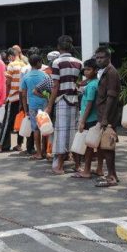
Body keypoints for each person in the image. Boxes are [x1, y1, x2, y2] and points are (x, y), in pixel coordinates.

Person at [45, 35, 83, 175]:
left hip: (61, 99)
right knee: (74, 131)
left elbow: (55, 86)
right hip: (74, 100)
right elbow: (78, 82)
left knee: (61, 133)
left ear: (58, 47)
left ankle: (59, 165)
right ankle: (77, 165)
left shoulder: (57, 63)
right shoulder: (79, 62)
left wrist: (49, 106)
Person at [94, 46, 121, 187]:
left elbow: (111, 96)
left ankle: (111, 177)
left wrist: (105, 118)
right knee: (106, 146)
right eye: (97, 57)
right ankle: (113, 174)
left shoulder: (111, 72)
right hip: (104, 114)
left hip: (108, 115)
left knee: (108, 146)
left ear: (108, 58)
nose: (98, 60)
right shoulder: (104, 72)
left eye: (101, 57)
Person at [0, 48, 25, 153]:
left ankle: (0, 145)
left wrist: (6, 97)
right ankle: (18, 144)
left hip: (12, 97)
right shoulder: (24, 65)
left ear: (11, 56)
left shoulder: (11, 65)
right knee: (19, 121)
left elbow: (8, 83)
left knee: (7, 122)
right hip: (22, 98)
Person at [72, 59, 100, 179]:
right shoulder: (94, 83)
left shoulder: (92, 86)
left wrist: (82, 121)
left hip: (89, 119)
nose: (86, 72)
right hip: (94, 118)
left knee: (88, 147)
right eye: (85, 69)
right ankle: (98, 169)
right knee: (96, 146)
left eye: (89, 69)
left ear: (95, 70)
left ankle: (86, 170)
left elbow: (89, 104)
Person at [19, 54, 48, 160]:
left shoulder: (26, 76)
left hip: (32, 105)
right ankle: (45, 152)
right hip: (44, 104)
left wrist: (25, 109)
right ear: (38, 63)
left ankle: (39, 153)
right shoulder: (44, 75)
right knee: (45, 127)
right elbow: (49, 89)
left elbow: (23, 94)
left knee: (36, 129)